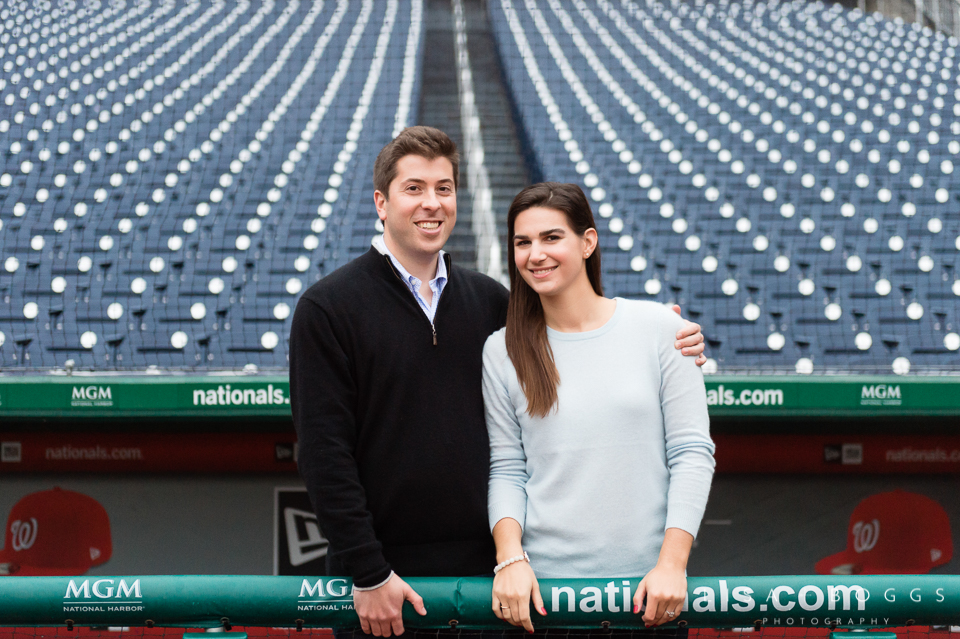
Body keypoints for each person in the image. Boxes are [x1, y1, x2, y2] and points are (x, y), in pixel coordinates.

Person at [289, 127, 707, 638]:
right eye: (414, 188)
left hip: (489, 580)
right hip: (386, 582)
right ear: (381, 202)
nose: (432, 203)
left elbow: (571, 326)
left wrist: (660, 332)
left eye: (444, 188)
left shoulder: (489, 301)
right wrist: (368, 571)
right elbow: (323, 452)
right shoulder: (328, 308)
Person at [483, 183, 715, 634]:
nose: (536, 254)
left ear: (588, 242)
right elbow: (508, 469)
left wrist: (672, 565)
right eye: (522, 242)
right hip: (546, 602)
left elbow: (691, 454)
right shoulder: (501, 350)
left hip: (649, 596)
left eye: (552, 238)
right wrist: (510, 560)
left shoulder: (662, 329)